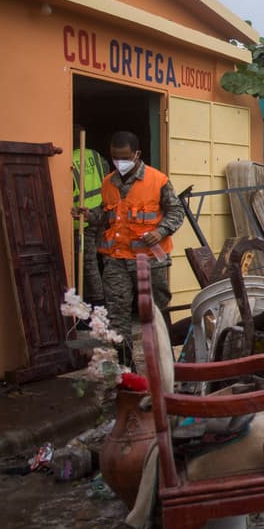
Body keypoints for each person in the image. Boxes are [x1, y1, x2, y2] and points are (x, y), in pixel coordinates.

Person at [72, 131, 182, 366]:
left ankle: (167, 368)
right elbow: (107, 214)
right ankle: (125, 372)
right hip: (116, 260)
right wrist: (89, 215)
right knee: (117, 318)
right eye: (115, 157)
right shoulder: (108, 182)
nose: (119, 162)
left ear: (136, 155)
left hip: (150, 260)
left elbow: (176, 212)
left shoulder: (158, 180)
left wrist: (160, 231)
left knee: (156, 314)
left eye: (124, 157)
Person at [71, 123, 108, 304]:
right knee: (107, 260)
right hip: (101, 213)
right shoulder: (95, 155)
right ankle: (108, 301)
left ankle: (98, 305)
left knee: (89, 265)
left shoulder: (69, 161)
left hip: (83, 220)